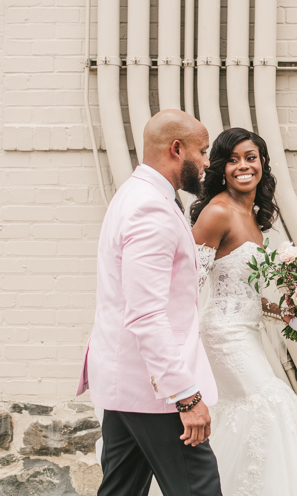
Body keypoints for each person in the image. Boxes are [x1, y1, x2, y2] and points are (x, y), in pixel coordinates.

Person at [190, 127, 297, 496]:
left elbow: (244, 291)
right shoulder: (217, 212)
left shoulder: (255, 219)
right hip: (224, 334)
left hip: (247, 330)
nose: (243, 166)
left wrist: (292, 310)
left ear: (262, 164)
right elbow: (186, 284)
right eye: (232, 159)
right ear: (220, 167)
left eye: (250, 157)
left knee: (250, 414)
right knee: (270, 404)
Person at [76, 109, 222, 496]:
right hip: (155, 392)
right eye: (203, 151)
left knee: (121, 490)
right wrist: (187, 397)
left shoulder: (136, 194)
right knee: (199, 488)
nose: (208, 162)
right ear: (177, 149)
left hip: (126, 384)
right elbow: (146, 313)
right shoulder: (150, 208)